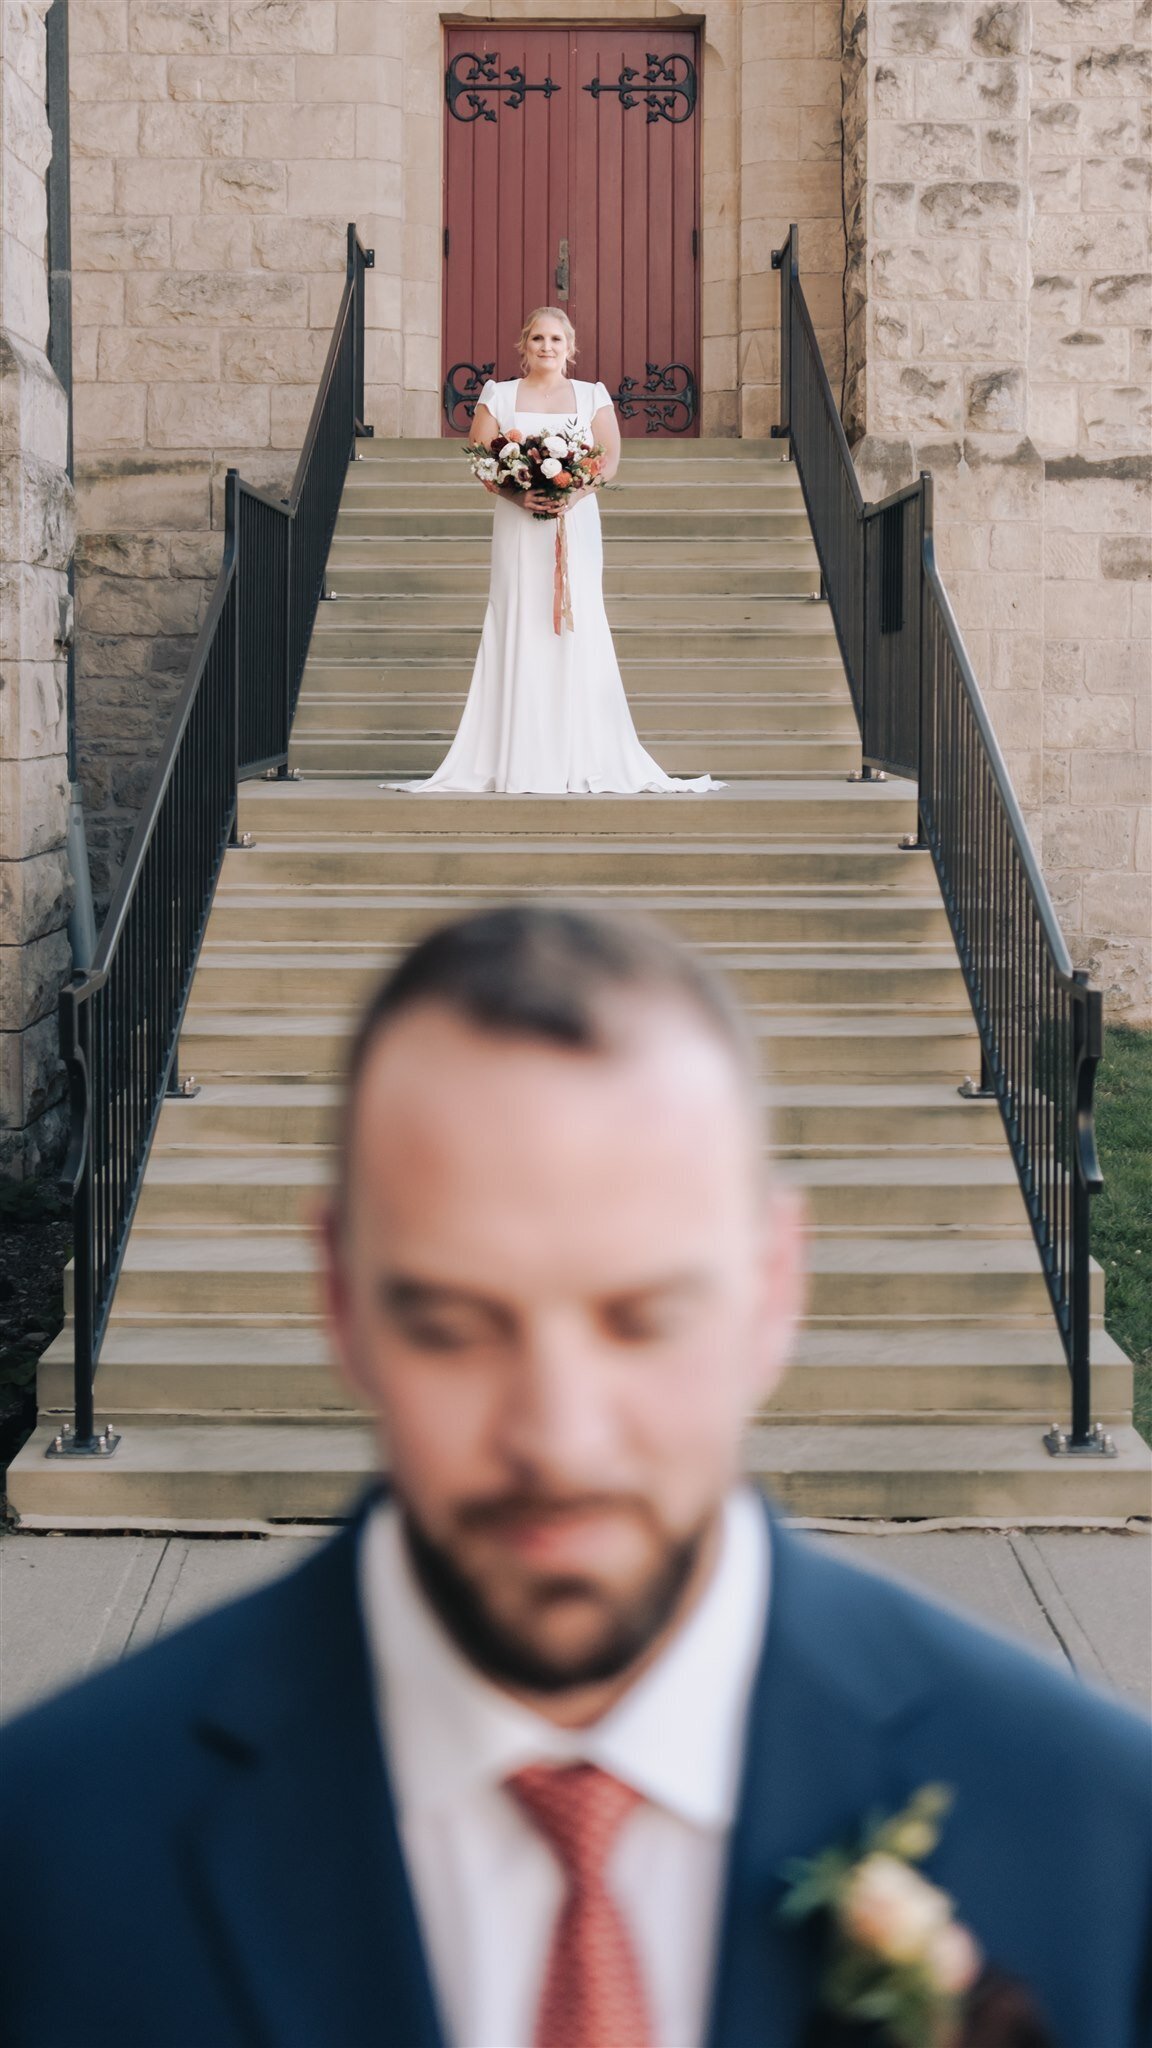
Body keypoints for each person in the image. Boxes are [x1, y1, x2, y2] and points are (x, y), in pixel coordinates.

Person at [0, 905, 1148, 2048]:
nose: (558, 1435)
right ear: (344, 1300)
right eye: (454, 1324)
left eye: (642, 1319)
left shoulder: (1099, 1833)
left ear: (773, 1287)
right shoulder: (51, 1849)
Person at [385, 308, 720, 794]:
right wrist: (517, 494)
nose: (547, 346)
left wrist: (574, 494)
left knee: (576, 621)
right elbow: (481, 462)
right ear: (525, 345)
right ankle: (515, 754)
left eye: (556, 339)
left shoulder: (591, 396)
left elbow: (608, 460)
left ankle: (578, 751)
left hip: (574, 522)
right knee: (518, 619)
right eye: (538, 338)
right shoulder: (498, 394)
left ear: (570, 346)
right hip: (518, 525)